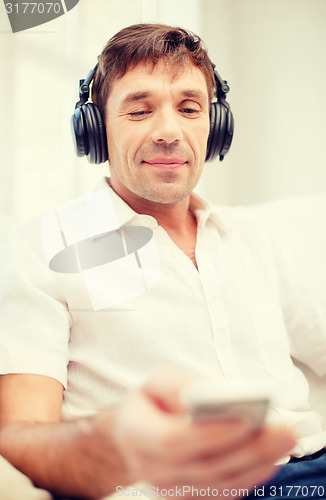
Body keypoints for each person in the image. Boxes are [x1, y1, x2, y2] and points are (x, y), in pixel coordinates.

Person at [0, 23, 325, 500]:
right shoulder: (39, 250)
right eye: (139, 109)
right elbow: (19, 436)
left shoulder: (257, 240)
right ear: (95, 129)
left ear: (215, 126)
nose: (170, 132)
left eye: (189, 108)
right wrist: (108, 447)